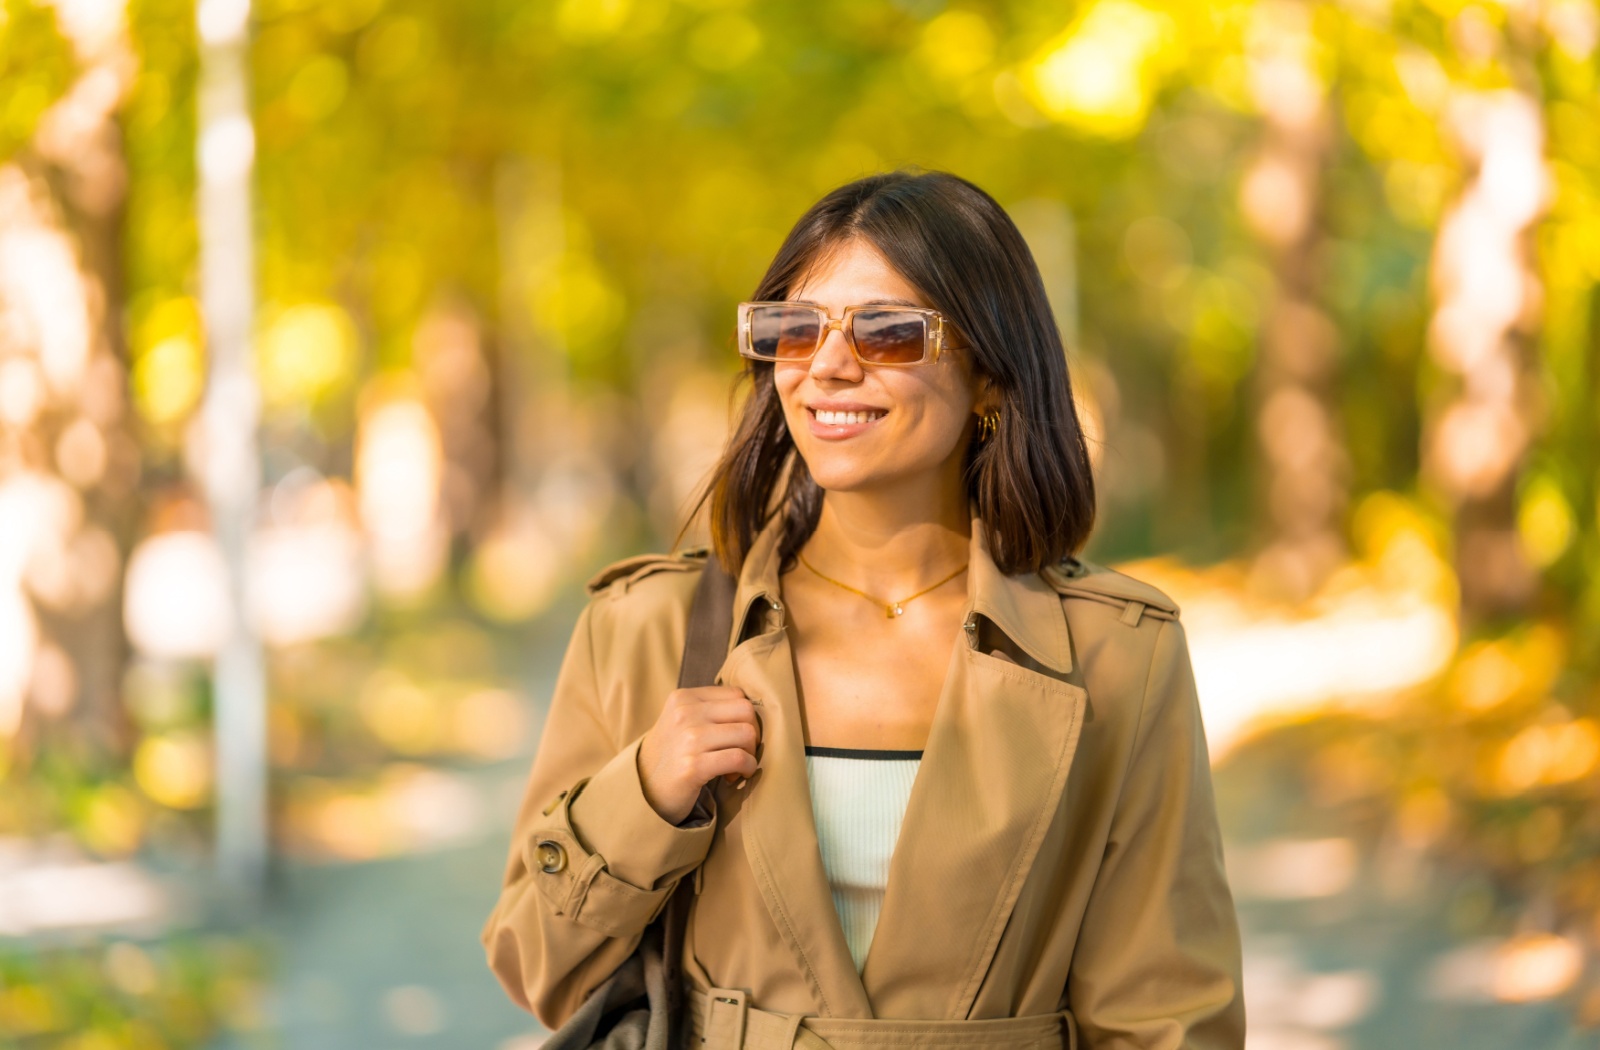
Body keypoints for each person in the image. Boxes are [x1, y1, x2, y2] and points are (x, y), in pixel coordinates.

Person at [482, 170, 1245, 1049]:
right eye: (796, 329)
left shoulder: (1119, 657)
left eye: (887, 331)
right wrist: (645, 795)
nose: (829, 365)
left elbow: (1168, 1019)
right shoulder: (644, 630)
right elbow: (534, 968)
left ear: (991, 378)